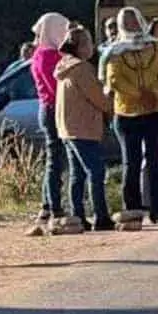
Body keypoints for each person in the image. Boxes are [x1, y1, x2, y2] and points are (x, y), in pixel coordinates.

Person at [103, 6, 158, 227]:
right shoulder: (114, 51)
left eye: (134, 20)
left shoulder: (155, 46)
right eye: (126, 21)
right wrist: (138, 94)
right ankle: (132, 210)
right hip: (127, 113)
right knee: (131, 163)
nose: (131, 25)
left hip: (154, 111)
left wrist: (153, 93)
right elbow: (113, 79)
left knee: (156, 162)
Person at [54, 26, 113, 232]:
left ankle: (78, 215)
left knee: (77, 174)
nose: (92, 46)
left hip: (68, 128)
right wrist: (111, 102)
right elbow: (99, 98)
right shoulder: (82, 69)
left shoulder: (64, 67)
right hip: (84, 127)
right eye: (87, 42)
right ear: (78, 47)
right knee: (96, 171)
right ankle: (101, 216)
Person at [29, 12, 70, 226]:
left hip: (50, 108)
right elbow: (56, 87)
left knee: (54, 158)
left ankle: (47, 205)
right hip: (54, 108)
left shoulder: (43, 53)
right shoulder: (47, 56)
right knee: (56, 160)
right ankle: (54, 206)